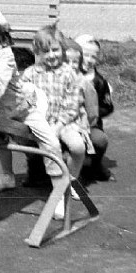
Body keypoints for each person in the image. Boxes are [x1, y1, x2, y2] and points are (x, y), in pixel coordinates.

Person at [0, 5, 65, 208]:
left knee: (51, 143)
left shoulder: (5, 54)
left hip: (21, 109)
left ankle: (58, 192)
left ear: (0, 35)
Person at [23, 25, 92, 219]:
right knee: (46, 147)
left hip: (65, 121)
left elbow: (73, 106)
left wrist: (58, 126)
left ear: (62, 50)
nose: (51, 55)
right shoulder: (30, 74)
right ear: (37, 52)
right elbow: (24, 100)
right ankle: (59, 191)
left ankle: (71, 181)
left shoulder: (69, 73)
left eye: (55, 50)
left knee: (77, 147)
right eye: (46, 51)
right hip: (41, 121)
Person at [74, 34, 114, 182]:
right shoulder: (65, 74)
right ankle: (37, 170)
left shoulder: (99, 81)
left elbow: (108, 106)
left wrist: (92, 112)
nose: (89, 60)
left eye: (94, 57)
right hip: (64, 122)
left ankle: (93, 165)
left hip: (89, 124)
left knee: (99, 140)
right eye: (86, 55)